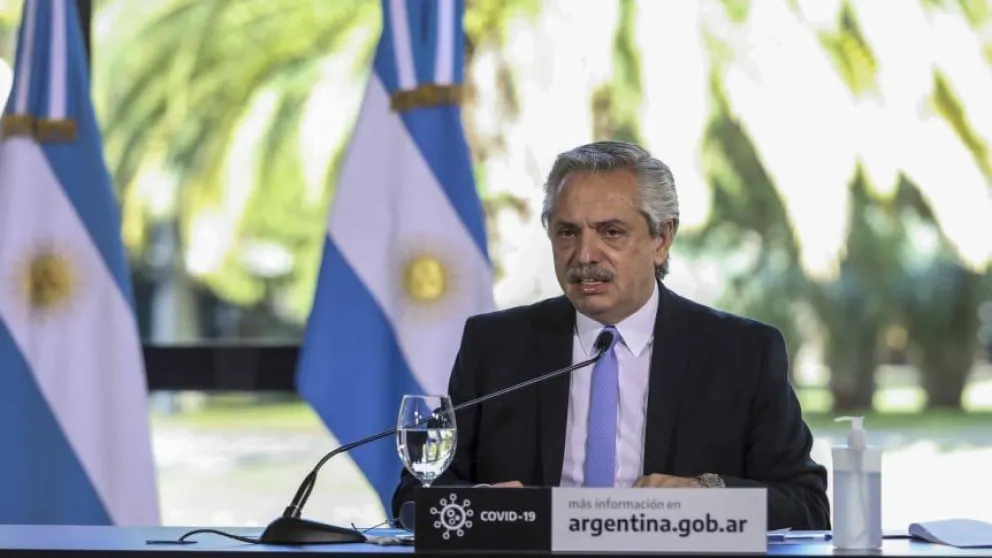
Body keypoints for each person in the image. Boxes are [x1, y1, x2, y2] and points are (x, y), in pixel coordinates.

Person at [392, 140, 830, 530]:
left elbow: (807, 506)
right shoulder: (495, 346)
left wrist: (707, 492)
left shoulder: (742, 355)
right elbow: (414, 497)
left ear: (662, 239)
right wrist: (477, 506)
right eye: (567, 233)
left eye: (611, 232)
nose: (584, 255)